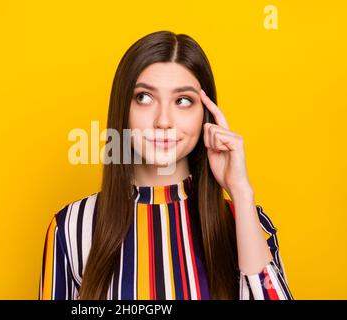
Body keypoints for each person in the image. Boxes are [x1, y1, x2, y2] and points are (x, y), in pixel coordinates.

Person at [38, 30, 293, 300]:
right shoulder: (70, 227)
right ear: (122, 109)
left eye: (183, 101)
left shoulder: (243, 220)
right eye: (144, 98)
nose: (163, 121)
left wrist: (240, 191)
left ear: (205, 116)